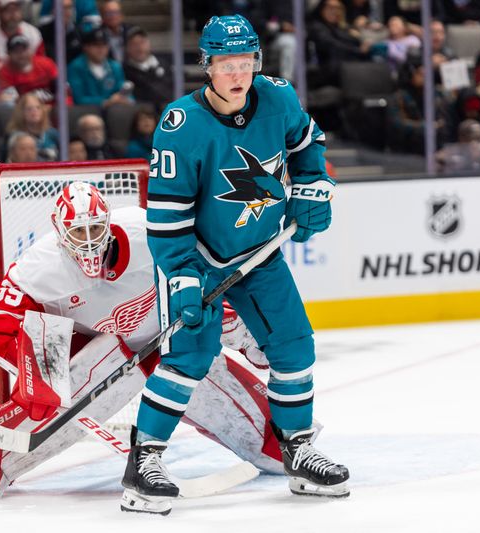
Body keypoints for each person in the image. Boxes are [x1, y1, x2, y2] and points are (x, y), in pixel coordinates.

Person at [124, 15, 350, 515]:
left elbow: (308, 143)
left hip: (262, 253)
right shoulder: (180, 126)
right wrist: (182, 277)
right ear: (207, 66)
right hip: (198, 259)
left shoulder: (278, 97)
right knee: (190, 356)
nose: (237, 73)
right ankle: (144, 462)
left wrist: (314, 186)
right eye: (226, 63)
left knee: (295, 347)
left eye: (245, 60)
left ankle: (298, 449)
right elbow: (167, 218)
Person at [0, 182, 285, 502]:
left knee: (213, 369)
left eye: (94, 229)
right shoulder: (42, 266)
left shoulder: (143, 229)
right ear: (60, 233)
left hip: (170, 332)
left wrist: (236, 327)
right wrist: (38, 371)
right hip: (105, 351)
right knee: (68, 385)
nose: (88, 241)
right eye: (77, 232)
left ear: (107, 223)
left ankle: (285, 442)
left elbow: (205, 268)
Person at [67, 28, 132, 107]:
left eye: (104, 45)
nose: (100, 49)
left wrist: (126, 100)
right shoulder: (75, 67)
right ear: (85, 47)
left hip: (112, 111)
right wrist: (106, 102)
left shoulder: (115, 67)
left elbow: (122, 89)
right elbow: (78, 98)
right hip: (86, 112)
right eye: (95, 45)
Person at [0, 0, 45, 69]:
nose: (13, 15)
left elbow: (41, 62)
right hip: (0, 77)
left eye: (16, 10)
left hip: (28, 76)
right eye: (8, 10)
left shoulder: (33, 33)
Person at [0, 34, 61, 103]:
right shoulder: (4, 72)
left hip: (52, 108)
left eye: (23, 49)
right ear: (8, 54)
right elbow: (8, 100)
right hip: (23, 110)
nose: (21, 54)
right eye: (16, 51)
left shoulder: (47, 64)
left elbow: (62, 90)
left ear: (30, 49)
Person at [122, 27, 174, 112]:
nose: (139, 47)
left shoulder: (164, 64)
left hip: (169, 109)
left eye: (142, 42)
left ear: (148, 43)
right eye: (134, 44)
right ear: (127, 48)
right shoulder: (124, 70)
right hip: (143, 112)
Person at [5, 93, 60, 161]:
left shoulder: (52, 133)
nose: (34, 111)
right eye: (29, 109)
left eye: (38, 107)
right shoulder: (16, 137)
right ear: (21, 112)